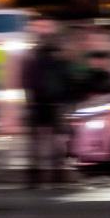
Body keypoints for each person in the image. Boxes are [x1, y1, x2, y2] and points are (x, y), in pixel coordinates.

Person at [18, 24, 74, 187]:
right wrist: (66, 101)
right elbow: (67, 82)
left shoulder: (31, 60)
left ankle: (33, 177)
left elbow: (26, 82)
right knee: (56, 140)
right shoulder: (60, 61)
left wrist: (28, 103)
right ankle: (57, 174)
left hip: (36, 103)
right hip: (55, 104)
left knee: (35, 142)